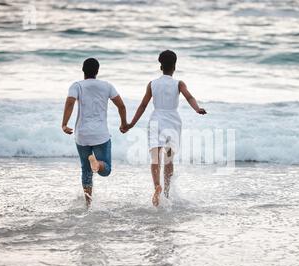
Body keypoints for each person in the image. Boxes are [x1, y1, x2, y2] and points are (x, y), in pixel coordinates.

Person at [123, 50, 206, 207]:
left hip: (156, 121)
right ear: (174, 66)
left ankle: (156, 187)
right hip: (172, 123)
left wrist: (130, 124)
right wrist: (197, 108)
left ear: (160, 66)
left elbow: (142, 106)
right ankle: (166, 192)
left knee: (155, 157)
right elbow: (189, 97)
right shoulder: (179, 84)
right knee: (168, 159)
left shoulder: (152, 84)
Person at [61, 58, 127, 207]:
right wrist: (123, 124)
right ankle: (97, 163)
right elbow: (121, 106)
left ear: (83, 70)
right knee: (106, 170)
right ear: (97, 71)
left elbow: (70, 102)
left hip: (82, 135)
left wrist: (64, 124)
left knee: (86, 170)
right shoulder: (107, 86)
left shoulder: (76, 86)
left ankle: (88, 203)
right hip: (100, 135)